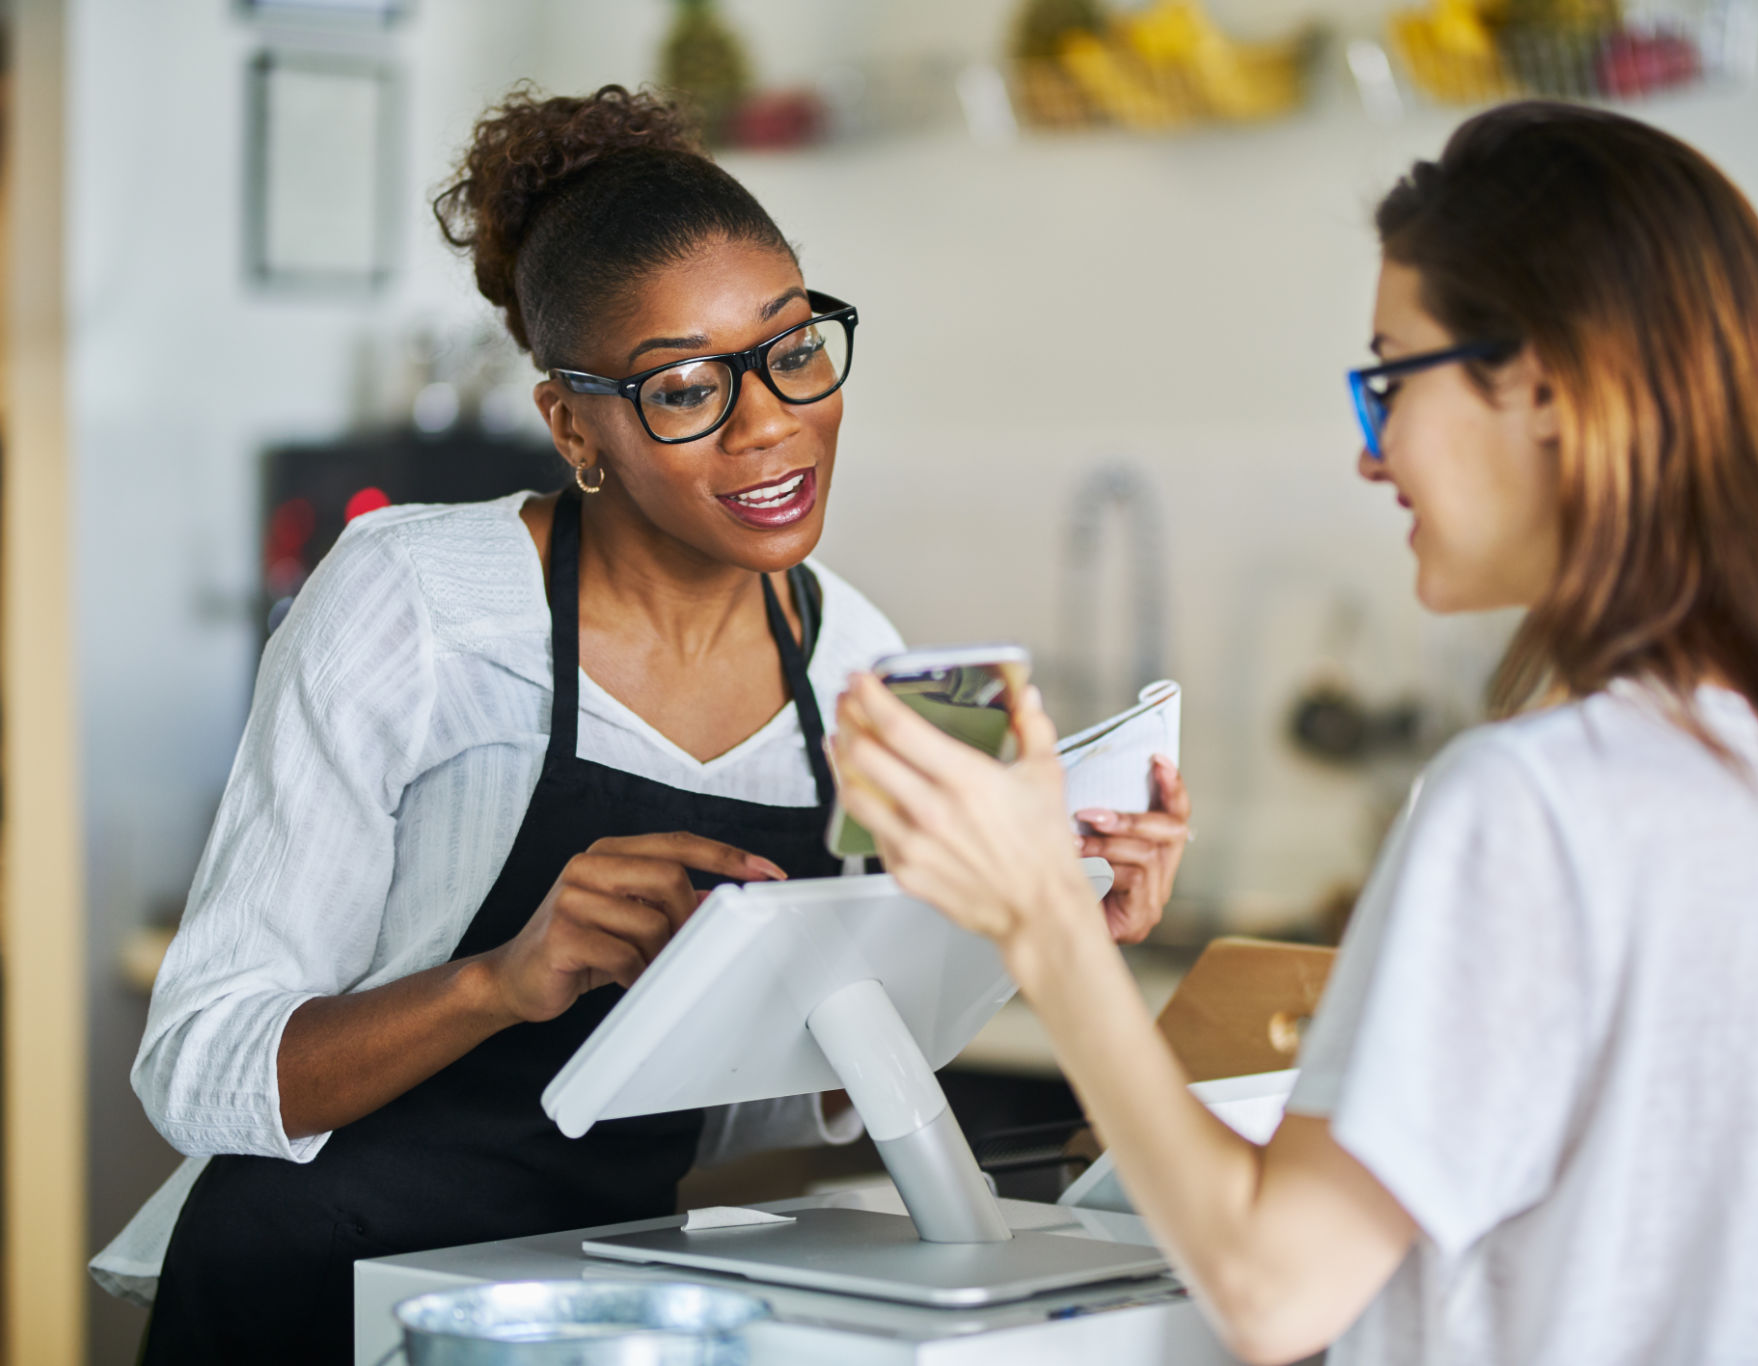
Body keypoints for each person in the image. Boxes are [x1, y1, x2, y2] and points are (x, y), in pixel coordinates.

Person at [833, 102, 1758, 1366]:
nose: (1367, 454)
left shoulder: (1530, 800)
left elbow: (1272, 1293)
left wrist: (1039, 917)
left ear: (1542, 383)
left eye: (1389, 376)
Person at [93, 85, 1190, 1364]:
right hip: (315, 1287)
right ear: (574, 426)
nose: (770, 422)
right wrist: (500, 980)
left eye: (791, 350)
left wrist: (1043, 924)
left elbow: (787, 1077)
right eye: (682, 388)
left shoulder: (856, 656)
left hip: (588, 1300)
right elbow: (198, 1065)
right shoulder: (418, 600)